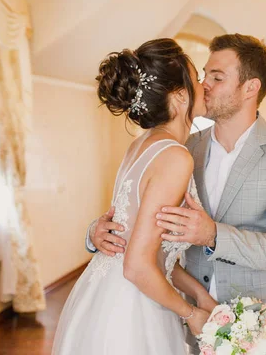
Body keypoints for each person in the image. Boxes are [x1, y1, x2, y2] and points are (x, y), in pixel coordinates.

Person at [88, 33, 266, 355]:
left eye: (217, 77)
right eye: (204, 75)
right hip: (183, 321)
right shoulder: (180, 149)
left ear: (250, 88)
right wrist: (96, 232)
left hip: (259, 324)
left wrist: (212, 235)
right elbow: (140, 223)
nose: (204, 84)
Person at [52, 38, 218, 355]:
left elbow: (152, 252)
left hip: (107, 293)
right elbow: (138, 266)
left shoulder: (142, 146)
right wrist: (192, 315)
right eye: (196, 77)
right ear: (181, 96)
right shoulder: (175, 157)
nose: (203, 85)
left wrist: (199, 294)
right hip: (132, 308)